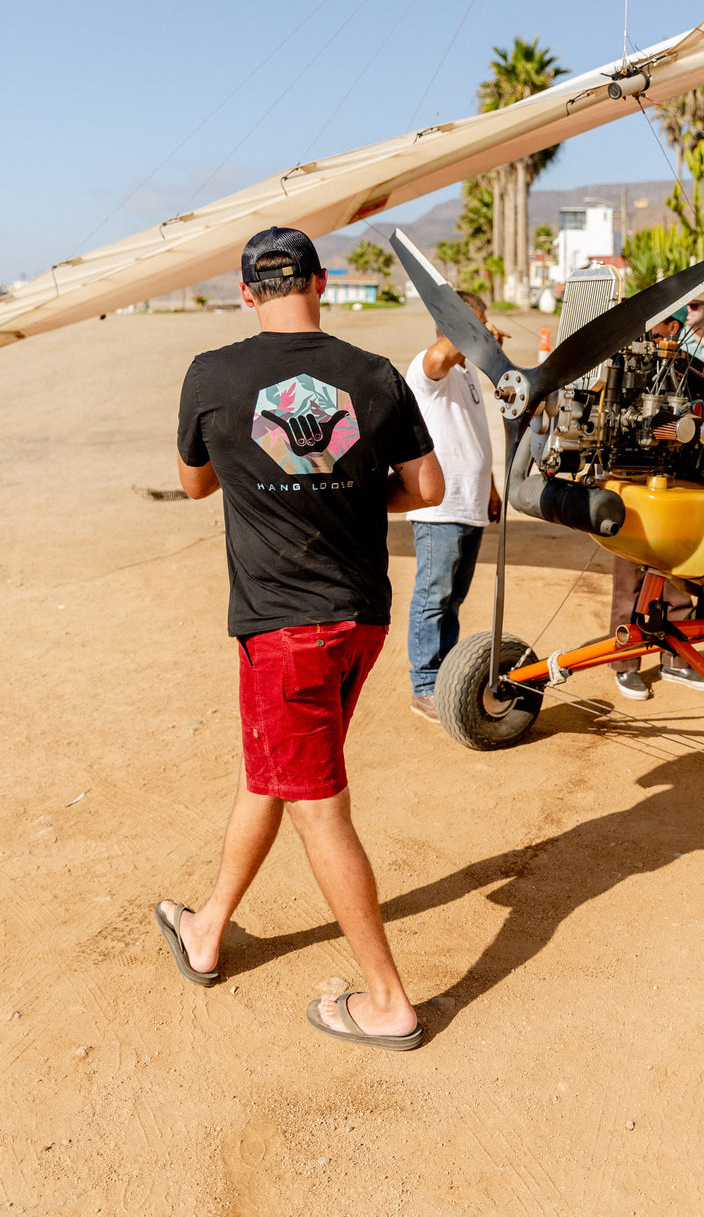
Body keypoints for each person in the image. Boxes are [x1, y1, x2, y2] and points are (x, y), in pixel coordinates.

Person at [156, 225, 443, 1052]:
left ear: (247, 292)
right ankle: (208, 928)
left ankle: (389, 1001)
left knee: (319, 809)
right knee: (277, 773)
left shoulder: (213, 376)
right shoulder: (374, 374)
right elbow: (429, 486)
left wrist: (266, 473)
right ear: (321, 280)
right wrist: (346, 489)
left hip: (286, 633)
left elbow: (192, 483)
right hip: (361, 621)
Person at [404, 291, 506, 722]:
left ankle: (446, 678)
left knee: (453, 598)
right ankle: (426, 684)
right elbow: (436, 358)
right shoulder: (430, 368)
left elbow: (476, 437)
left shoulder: (466, 375)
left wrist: (492, 487)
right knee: (434, 596)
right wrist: (474, 331)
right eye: (477, 322)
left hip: (470, 501)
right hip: (441, 508)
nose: (486, 330)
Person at [609, 310, 704, 702]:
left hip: (678, 484)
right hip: (634, 488)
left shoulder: (690, 370)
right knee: (629, 582)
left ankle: (675, 658)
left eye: (657, 326)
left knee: (679, 578)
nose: (649, 334)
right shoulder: (627, 366)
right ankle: (624, 662)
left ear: (674, 328)